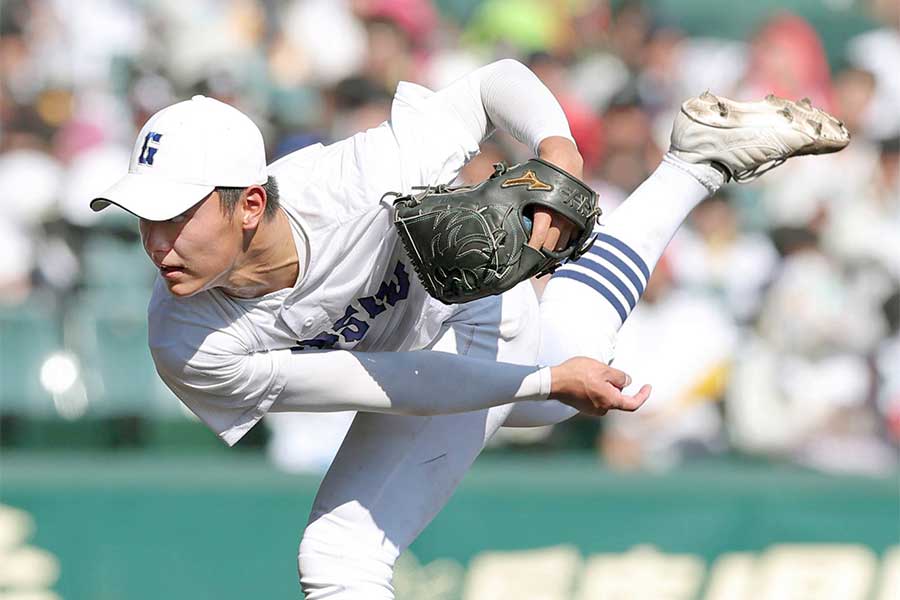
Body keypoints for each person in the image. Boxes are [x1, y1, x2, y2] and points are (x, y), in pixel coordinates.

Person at [89, 60, 847, 598]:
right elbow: (387, 385)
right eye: (143, 217)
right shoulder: (187, 341)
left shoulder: (362, 179)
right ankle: (694, 165)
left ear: (250, 204)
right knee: (556, 382)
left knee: (342, 555)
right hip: (409, 365)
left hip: (476, 308)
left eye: (176, 216)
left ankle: (692, 167)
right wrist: (546, 382)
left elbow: (493, 84)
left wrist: (558, 149)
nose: (157, 243)